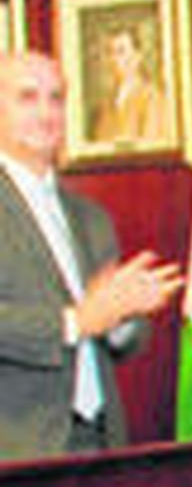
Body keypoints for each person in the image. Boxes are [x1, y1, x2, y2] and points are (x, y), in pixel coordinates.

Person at [0, 50, 182, 459]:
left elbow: (122, 341)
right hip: (15, 451)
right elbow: (79, 321)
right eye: (27, 98)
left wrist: (122, 318)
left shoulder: (90, 216)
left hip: (99, 441)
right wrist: (76, 321)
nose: (46, 113)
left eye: (57, 98)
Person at [89, 24, 174, 146]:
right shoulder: (104, 107)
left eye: (121, 51)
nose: (114, 59)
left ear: (137, 57)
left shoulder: (152, 98)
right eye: (109, 52)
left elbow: (150, 148)